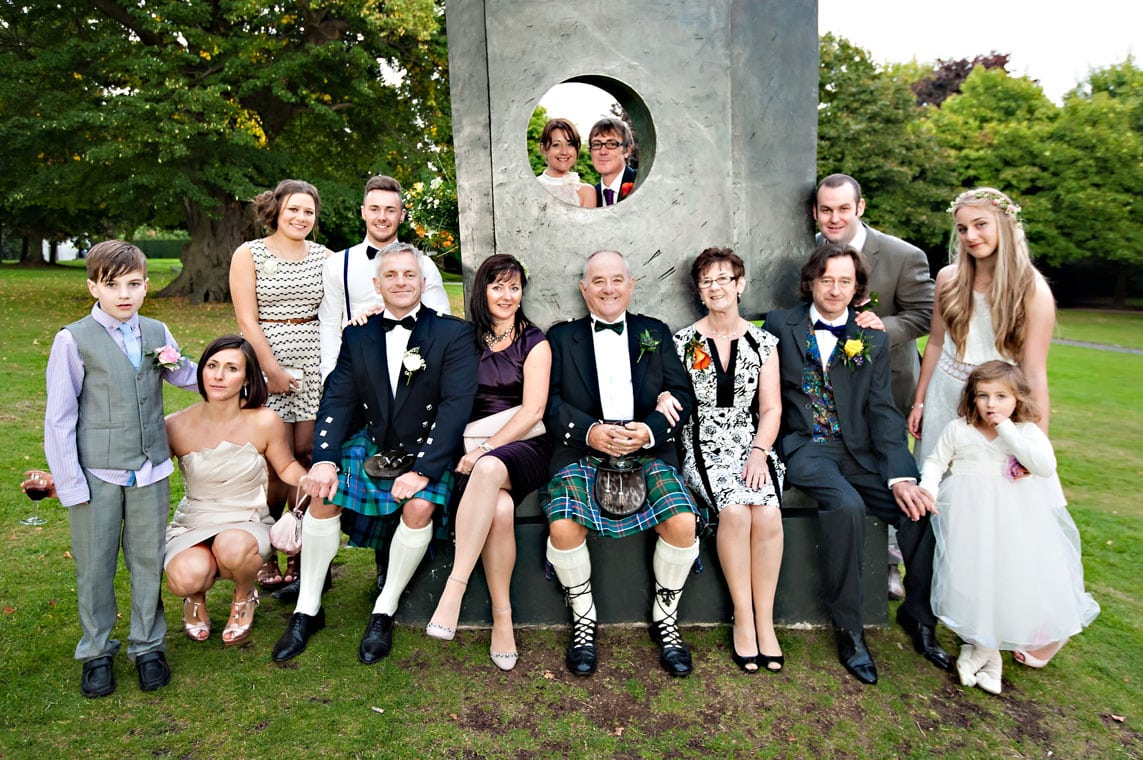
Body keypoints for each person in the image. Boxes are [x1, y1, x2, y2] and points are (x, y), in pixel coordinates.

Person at [272, 242, 477, 665]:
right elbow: (338, 399)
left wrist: (423, 470)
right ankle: (307, 609)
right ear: (376, 284)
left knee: (420, 508)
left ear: (423, 281)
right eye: (391, 275)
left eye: (409, 275)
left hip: (425, 447)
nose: (400, 282)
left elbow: (457, 406)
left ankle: (384, 608)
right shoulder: (358, 333)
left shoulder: (453, 334)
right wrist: (325, 459)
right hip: (372, 441)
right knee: (324, 495)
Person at [763, 241, 949, 685]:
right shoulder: (778, 324)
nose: (834, 289)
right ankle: (849, 628)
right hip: (807, 448)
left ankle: (919, 618)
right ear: (811, 282)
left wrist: (902, 476)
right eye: (826, 279)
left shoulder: (870, 337)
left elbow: (884, 410)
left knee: (917, 511)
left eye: (844, 281)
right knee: (845, 505)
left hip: (861, 451)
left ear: (858, 289)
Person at [43, 240, 198, 698]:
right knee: (95, 566)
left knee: (148, 561)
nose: (124, 294)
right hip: (97, 473)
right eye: (113, 286)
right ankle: (96, 651)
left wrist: (233, 374)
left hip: (150, 470)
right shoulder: (73, 339)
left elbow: (184, 373)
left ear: (146, 285)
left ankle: (148, 645)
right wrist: (71, 485)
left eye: (133, 284)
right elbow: (59, 417)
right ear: (94, 286)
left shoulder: (156, 331)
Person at [542, 250, 700, 678]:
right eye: (598, 281)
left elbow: (681, 395)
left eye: (616, 280)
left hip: (646, 449)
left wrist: (648, 430)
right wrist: (589, 431)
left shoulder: (655, 332)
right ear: (584, 289)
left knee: (683, 523)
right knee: (562, 525)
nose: (608, 289)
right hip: (582, 450)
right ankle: (584, 620)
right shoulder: (561, 338)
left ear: (631, 286)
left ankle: (666, 621)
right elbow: (548, 404)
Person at [919, 362, 1099, 695]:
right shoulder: (959, 429)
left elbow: (1043, 466)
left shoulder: (1026, 432)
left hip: (1012, 520)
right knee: (974, 577)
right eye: (983, 396)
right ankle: (986, 653)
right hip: (968, 516)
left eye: (1001, 396)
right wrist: (928, 487)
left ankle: (985, 654)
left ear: (1017, 398)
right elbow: (935, 462)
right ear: (972, 398)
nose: (991, 404)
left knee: (1004, 578)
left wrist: (1008, 431)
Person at [317, 175, 451, 599]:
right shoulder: (338, 263)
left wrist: (387, 312)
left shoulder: (422, 264)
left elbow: (438, 318)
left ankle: (387, 570)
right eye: (374, 208)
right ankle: (318, 576)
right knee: (352, 473)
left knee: (401, 470)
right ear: (363, 212)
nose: (382, 216)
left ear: (401, 214)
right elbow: (330, 324)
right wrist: (331, 383)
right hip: (354, 383)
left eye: (390, 209)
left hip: (409, 383)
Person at [424, 254, 552, 671]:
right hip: (469, 449)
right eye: (498, 286)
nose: (507, 295)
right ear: (482, 290)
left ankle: (454, 588)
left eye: (514, 287)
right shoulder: (463, 339)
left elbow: (533, 411)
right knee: (499, 508)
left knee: (490, 468)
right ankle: (503, 618)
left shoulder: (535, 342)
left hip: (523, 446)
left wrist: (485, 449)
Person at [813, 173, 935, 601]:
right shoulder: (809, 255)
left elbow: (925, 313)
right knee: (850, 472)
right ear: (816, 211)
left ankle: (889, 565)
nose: (834, 218)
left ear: (859, 208)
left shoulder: (903, 255)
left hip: (889, 386)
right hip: (829, 393)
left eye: (843, 209)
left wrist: (883, 326)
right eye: (826, 209)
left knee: (890, 468)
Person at [664, 248, 785, 673]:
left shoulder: (764, 342)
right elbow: (674, 395)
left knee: (767, 513)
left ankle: (766, 620)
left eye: (723, 279)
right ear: (699, 291)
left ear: (740, 284)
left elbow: (771, 409)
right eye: (707, 282)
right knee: (735, 512)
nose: (715, 288)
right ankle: (744, 618)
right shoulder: (683, 342)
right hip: (702, 444)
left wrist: (758, 453)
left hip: (752, 446)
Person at [163, 336, 309, 646]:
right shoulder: (174, 425)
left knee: (232, 548)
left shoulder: (265, 421)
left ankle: (244, 596)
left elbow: (286, 468)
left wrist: (313, 480)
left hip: (246, 518)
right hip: (195, 520)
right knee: (185, 575)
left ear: (246, 377)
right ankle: (195, 597)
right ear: (201, 371)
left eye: (231, 368)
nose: (218, 376)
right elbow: (145, 473)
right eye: (212, 366)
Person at [229, 179, 329, 597]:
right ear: (277, 210)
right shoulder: (248, 254)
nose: (301, 218)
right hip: (265, 357)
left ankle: (299, 543)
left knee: (305, 452)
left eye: (308, 212)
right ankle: (267, 549)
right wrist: (270, 370)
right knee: (273, 461)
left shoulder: (325, 257)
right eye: (294, 210)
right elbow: (247, 320)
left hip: (313, 357)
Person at [908, 187, 1055, 466]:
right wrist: (920, 401)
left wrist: (1036, 447)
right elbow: (936, 343)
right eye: (962, 229)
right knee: (934, 484)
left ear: (1005, 224)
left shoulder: (1033, 291)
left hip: (995, 406)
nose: (971, 236)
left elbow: (1035, 374)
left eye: (980, 225)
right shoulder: (947, 279)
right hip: (943, 397)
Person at [535, 118, 597, 207]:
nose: (564, 152)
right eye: (556, 145)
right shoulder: (529, 186)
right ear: (543, 148)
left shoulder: (587, 192)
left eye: (570, 144)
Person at [588, 118, 638, 206]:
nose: (603, 152)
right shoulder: (590, 196)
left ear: (627, 151)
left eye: (611, 144)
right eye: (596, 144)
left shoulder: (642, 182)